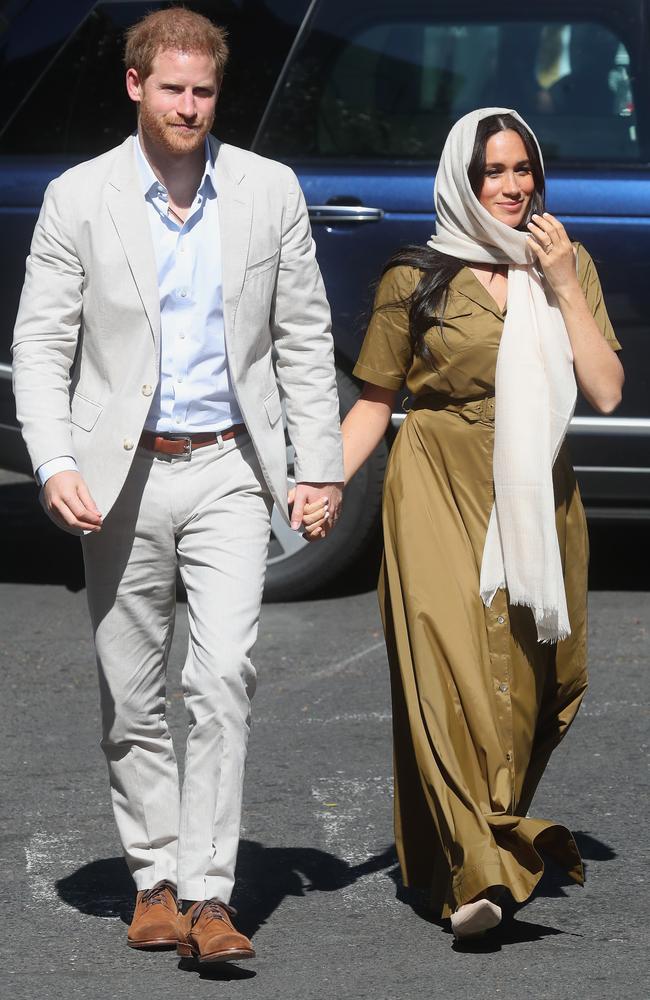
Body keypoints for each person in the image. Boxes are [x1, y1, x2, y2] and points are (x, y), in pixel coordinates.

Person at [12, 7, 342, 963]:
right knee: (132, 688)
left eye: (203, 92)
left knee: (223, 676)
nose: (190, 106)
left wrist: (316, 465)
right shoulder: (79, 198)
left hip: (233, 467)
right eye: (172, 90)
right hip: (120, 473)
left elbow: (304, 336)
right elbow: (40, 344)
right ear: (135, 86)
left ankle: (208, 895)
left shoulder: (267, 190)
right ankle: (152, 875)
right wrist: (55, 459)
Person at [307, 107, 623, 941]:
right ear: (462, 179)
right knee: (445, 678)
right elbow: (375, 402)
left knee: (536, 683)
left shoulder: (567, 264)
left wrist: (556, 285)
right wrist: (321, 484)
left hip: (535, 490)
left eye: (524, 170)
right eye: (494, 171)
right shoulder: (416, 277)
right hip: (437, 483)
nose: (513, 187)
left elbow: (607, 391)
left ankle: (480, 837)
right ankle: (480, 873)